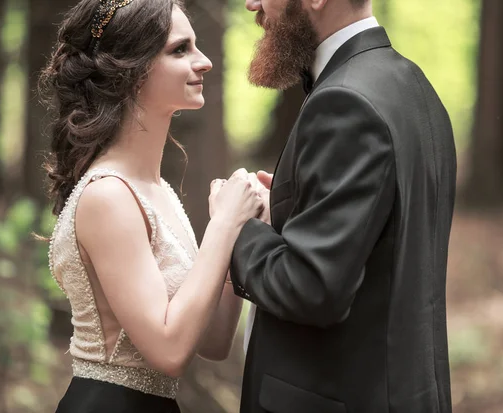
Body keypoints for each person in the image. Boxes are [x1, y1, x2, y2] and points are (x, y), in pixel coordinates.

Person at [225, 0, 457, 412]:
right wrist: (288, 207)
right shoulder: (412, 85)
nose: (252, 4)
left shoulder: (346, 102)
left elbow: (312, 287)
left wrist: (237, 224)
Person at [40, 0, 264, 411]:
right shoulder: (107, 196)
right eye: (180, 50)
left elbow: (212, 342)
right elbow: (169, 351)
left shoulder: (158, 191)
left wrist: (241, 226)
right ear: (132, 70)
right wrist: (224, 226)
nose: (205, 61)